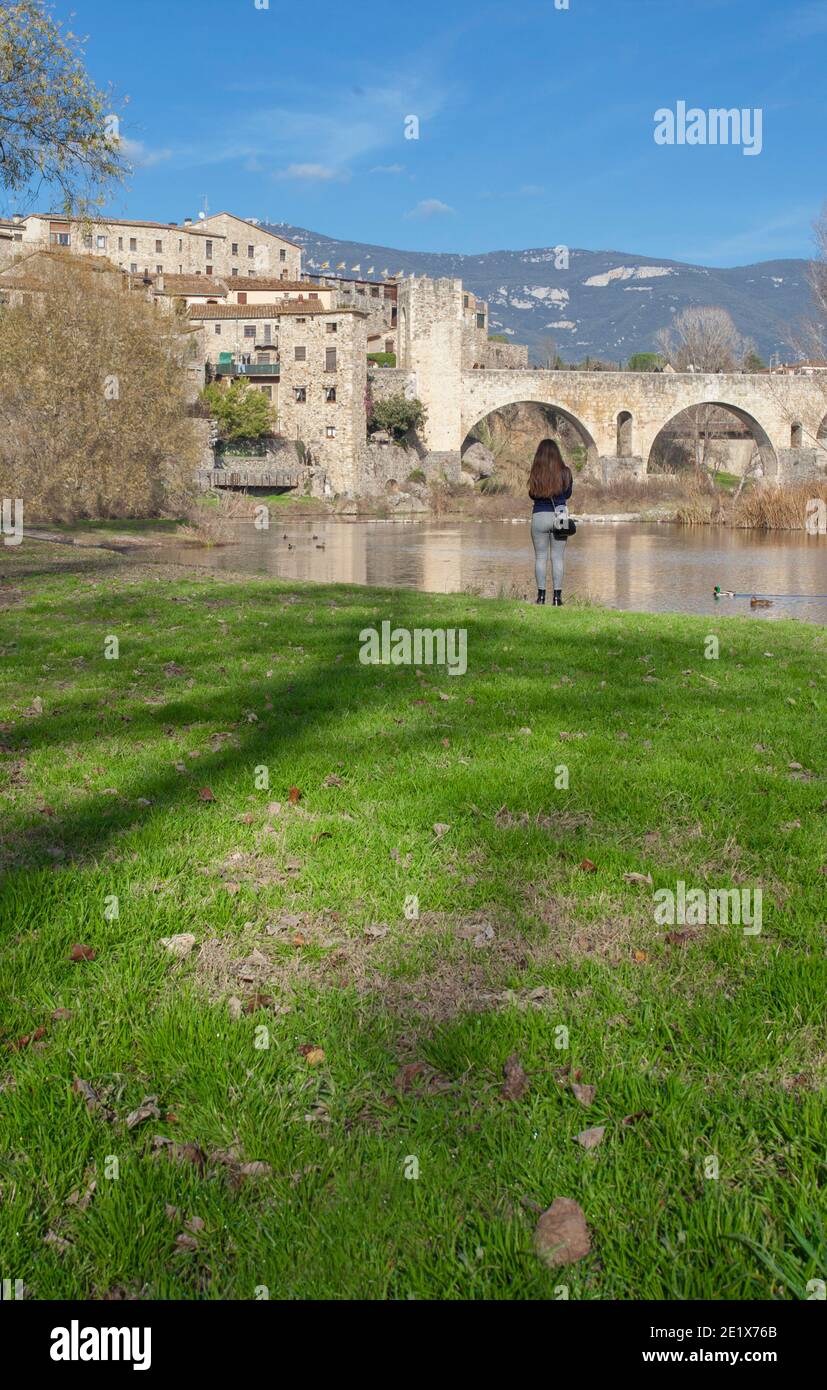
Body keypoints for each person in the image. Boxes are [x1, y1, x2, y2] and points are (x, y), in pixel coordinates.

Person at [528, 438, 573, 606]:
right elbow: (568, 494)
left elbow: (532, 494)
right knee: (558, 558)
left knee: (540, 557)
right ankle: (557, 598)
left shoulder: (536, 472)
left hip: (539, 515)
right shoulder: (565, 472)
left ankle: (540, 597)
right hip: (558, 517)